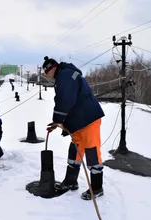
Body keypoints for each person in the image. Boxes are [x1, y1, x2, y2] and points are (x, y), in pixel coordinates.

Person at [43, 56, 105, 200]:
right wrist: (58, 123)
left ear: (51, 68)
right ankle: (71, 181)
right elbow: (68, 101)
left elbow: (64, 100)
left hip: (88, 119)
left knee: (92, 152)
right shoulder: (65, 75)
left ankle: (97, 188)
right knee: (75, 150)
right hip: (79, 121)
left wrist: (57, 120)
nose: (47, 76)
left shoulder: (65, 75)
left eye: (47, 73)